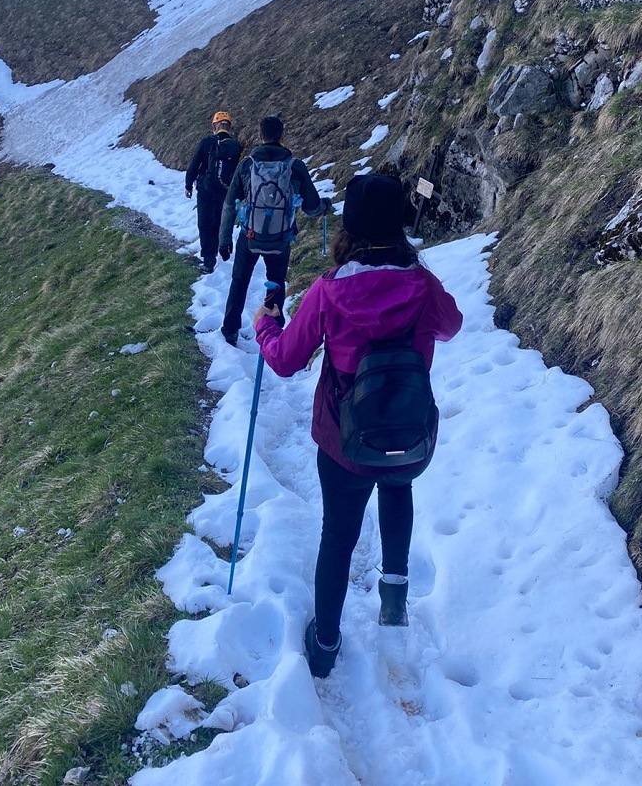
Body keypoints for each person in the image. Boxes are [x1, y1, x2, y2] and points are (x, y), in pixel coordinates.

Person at [253, 172, 463, 678]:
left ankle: (325, 643)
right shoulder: (421, 284)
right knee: (397, 488)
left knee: (338, 534)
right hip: (409, 433)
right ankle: (393, 603)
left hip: (344, 439)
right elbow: (452, 325)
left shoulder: (329, 291)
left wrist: (266, 323)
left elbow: (284, 360)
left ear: (350, 227)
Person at [218, 114, 330, 346]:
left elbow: (229, 205)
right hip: (280, 239)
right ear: (282, 135)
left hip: (249, 236)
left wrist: (224, 240)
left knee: (239, 281)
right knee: (276, 281)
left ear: (260, 136)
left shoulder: (247, 165)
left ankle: (230, 330)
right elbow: (312, 207)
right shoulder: (294, 166)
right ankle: (275, 332)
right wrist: (325, 207)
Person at [185, 111, 243, 274]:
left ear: (214, 126)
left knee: (204, 224)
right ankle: (218, 250)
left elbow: (195, 164)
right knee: (218, 223)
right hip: (225, 191)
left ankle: (208, 260)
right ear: (229, 127)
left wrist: (188, 184)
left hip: (205, 189)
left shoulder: (207, 142)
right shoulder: (236, 146)